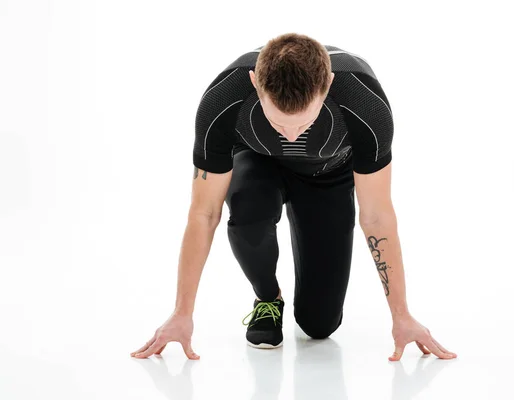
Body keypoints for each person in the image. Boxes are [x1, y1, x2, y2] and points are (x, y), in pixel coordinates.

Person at [130, 33, 457, 361]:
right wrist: (182, 314)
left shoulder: (363, 102)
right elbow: (204, 212)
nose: (289, 136)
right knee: (248, 215)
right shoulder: (224, 99)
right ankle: (268, 298)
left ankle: (312, 308)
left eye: (303, 124)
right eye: (277, 122)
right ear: (255, 83)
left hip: (328, 177)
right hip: (256, 164)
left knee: (320, 325)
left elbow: (376, 216)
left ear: (327, 86)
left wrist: (401, 316)